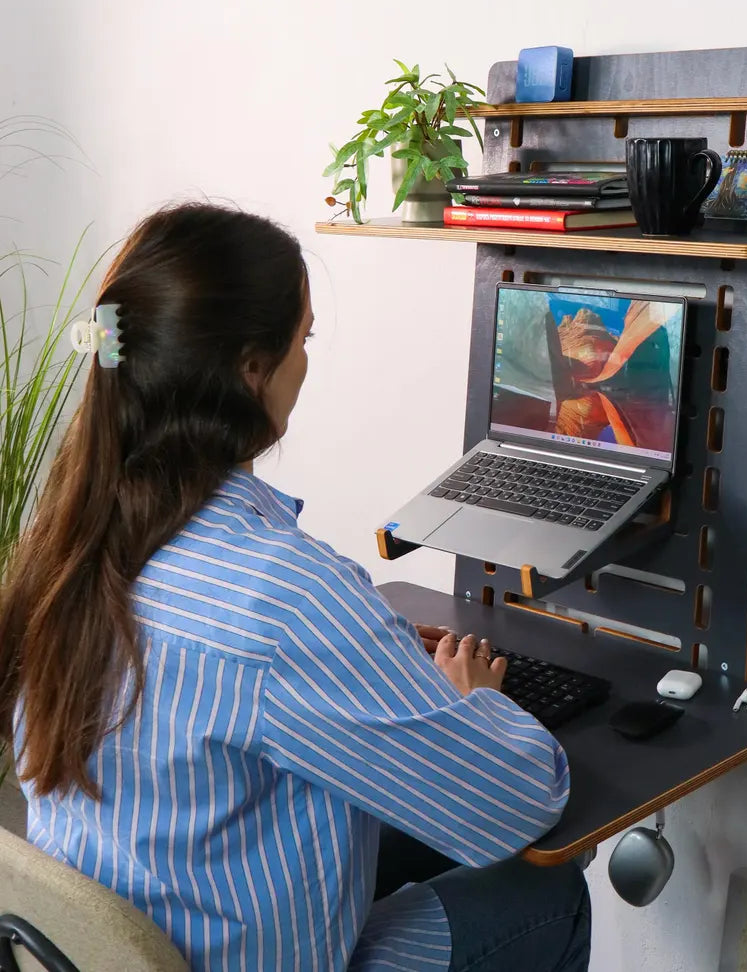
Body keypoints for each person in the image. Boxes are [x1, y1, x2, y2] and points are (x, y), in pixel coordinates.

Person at [0, 203, 591, 972]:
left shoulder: (67, 542)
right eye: (303, 338)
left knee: (388, 827)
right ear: (253, 371)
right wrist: (470, 701)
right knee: (546, 893)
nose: (305, 360)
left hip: (119, 941)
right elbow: (517, 800)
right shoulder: (283, 594)